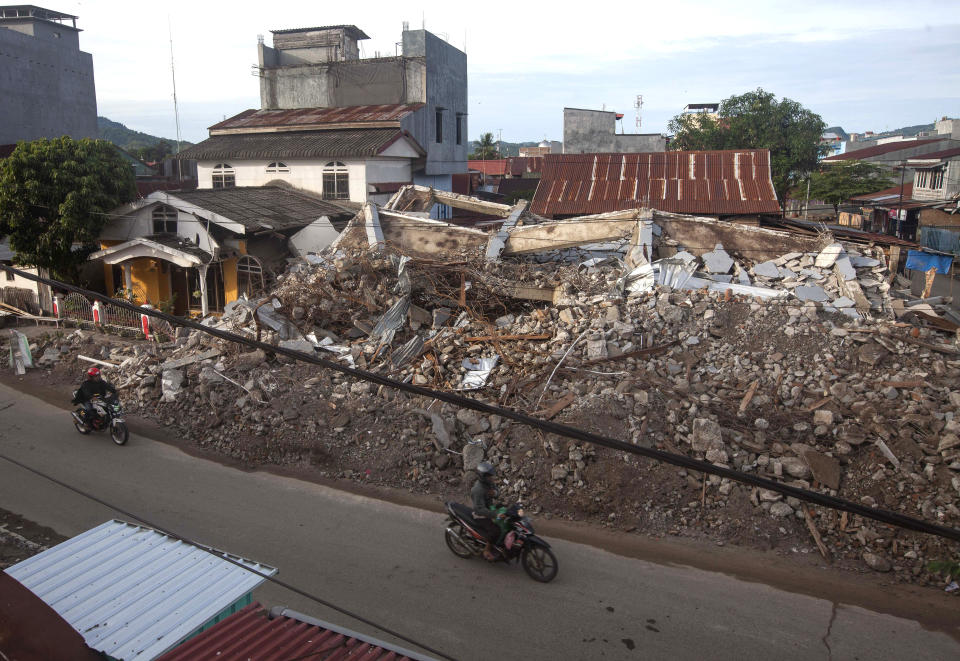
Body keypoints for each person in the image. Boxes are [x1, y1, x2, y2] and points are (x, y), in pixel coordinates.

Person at [470, 461, 504, 561]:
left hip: (489, 508)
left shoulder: (489, 483)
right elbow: (479, 509)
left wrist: (495, 493)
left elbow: (497, 491)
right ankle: (487, 550)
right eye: (489, 476)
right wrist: (496, 514)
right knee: (495, 530)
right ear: (483, 476)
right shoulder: (478, 490)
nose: (491, 478)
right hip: (480, 515)